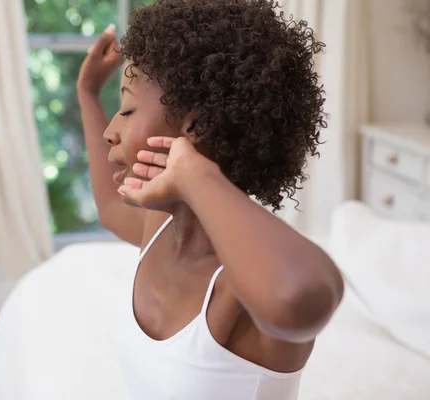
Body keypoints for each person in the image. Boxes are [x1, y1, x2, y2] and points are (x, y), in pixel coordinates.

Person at [76, 1, 344, 398]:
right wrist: (87, 94)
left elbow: (303, 296)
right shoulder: (159, 229)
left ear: (194, 127)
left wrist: (196, 174)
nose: (111, 132)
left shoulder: (241, 286)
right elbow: (112, 209)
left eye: (128, 109)